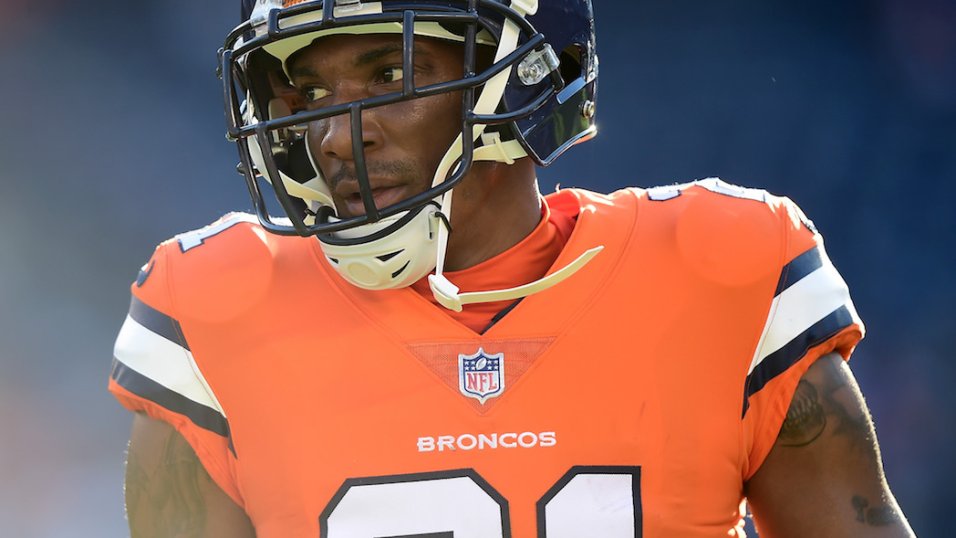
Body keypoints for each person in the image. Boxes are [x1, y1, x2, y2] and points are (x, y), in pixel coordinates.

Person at [108, 0, 915, 536]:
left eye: (389, 76)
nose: (332, 134)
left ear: (520, 75)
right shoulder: (213, 314)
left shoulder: (718, 270)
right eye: (311, 92)